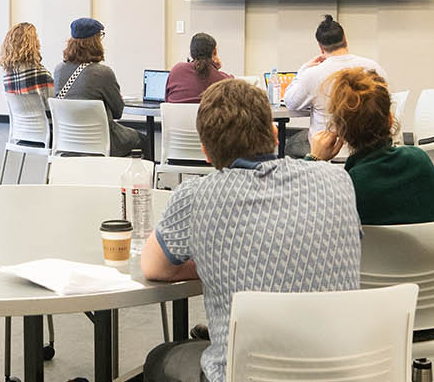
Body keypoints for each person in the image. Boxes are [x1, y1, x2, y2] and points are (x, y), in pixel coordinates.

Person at [140, 79, 361, 382]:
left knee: (160, 359)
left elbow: (154, 268)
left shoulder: (194, 196)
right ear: (274, 135)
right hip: (339, 369)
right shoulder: (337, 180)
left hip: (246, 374)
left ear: (206, 152)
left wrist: (217, 263)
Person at [309, 67, 434, 225]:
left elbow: (303, 217)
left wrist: (314, 159)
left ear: (340, 131)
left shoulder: (345, 186)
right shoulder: (420, 161)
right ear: (390, 120)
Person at [280, 15, 387, 157]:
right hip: (367, 148)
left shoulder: (312, 74)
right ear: (345, 40)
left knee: (291, 145)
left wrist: (302, 71)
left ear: (320, 46)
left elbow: (291, 102)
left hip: (328, 150)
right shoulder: (374, 67)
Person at [52, 17, 148, 157]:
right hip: (102, 140)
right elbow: (117, 112)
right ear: (95, 41)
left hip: (69, 141)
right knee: (144, 140)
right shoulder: (103, 73)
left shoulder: (59, 70)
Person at [0, 22, 54, 109]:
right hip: (44, 122)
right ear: (33, 44)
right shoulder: (42, 75)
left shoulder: (7, 76)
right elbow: (52, 108)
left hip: (18, 123)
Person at [164, 33, 232, 104]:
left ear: (191, 53)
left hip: (175, 115)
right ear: (214, 52)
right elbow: (233, 84)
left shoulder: (177, 69)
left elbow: (167, 98)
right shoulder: (222, 80)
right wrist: (216, 69)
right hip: (205, 115)